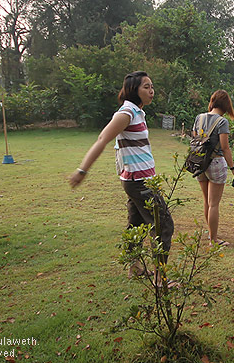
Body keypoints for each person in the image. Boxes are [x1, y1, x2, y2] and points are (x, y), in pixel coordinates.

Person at [68, 71, 175, 280]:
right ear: (134, 90)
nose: (151, 91)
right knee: (163, 225)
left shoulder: (137, 112)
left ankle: (135, 268)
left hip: (138, 180)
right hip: (139, 181)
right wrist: (83, 170)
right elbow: (102, 139)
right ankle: (161, 279)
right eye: (146, 87)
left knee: (136, 225)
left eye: (152, 86)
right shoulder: (126, 112)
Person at [192, 90, 234, 246]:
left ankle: (211, 234)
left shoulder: (199, 117)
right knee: (214, 203)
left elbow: (195, 138)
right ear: (227, 104)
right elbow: (225, 147)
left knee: (207, 202)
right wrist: (233, 168)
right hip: (215, 163)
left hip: (200, 162)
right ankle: (213, 240)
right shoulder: (222, 122)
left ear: (213, 101)